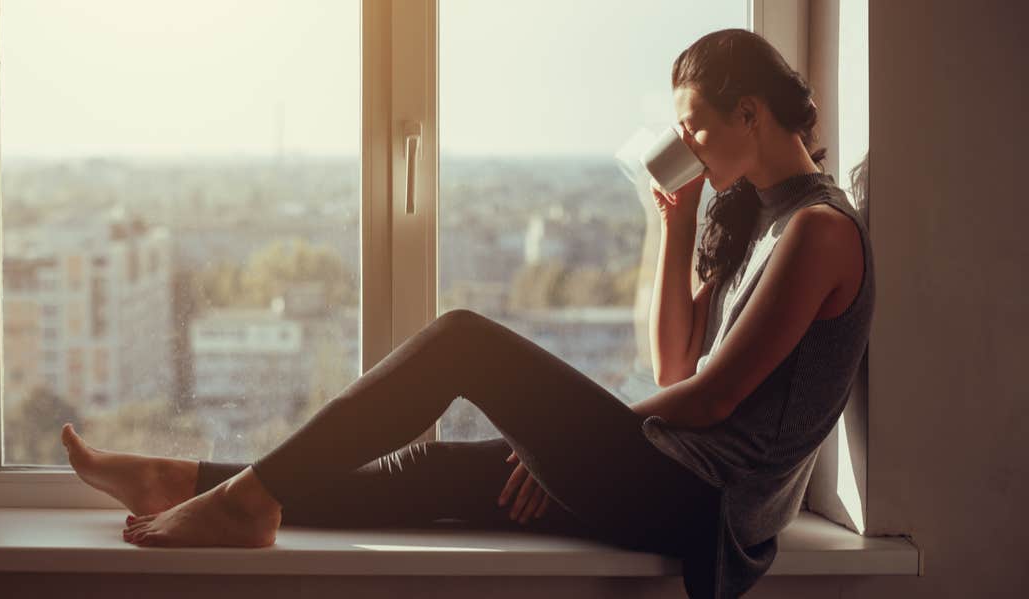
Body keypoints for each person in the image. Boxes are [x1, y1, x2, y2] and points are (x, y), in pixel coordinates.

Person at [60, 27, 873, 598]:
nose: (687, 146)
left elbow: (715, 395)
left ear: (750, 116)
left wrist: (579, 443)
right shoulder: (758, 215)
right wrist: (674, 219)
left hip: (711, 507)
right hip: (673, 472)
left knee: (461, 343)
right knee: (437, 472)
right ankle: (187, 483)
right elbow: (674, 360)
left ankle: (242, 502)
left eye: (694, 129)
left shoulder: (820, 232)